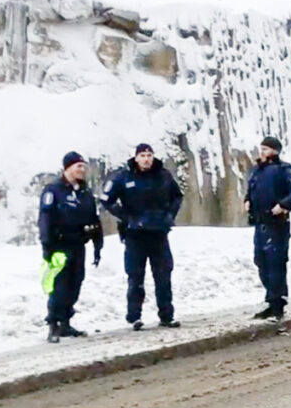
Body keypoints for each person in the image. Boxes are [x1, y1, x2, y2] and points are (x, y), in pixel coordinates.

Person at [101, 143, 183, 331]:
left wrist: (169, 216)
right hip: (135, 235)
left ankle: (166, 315)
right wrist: (126, 217)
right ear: (136, 158)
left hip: (159, 233)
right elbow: (107, 199)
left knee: (163, 276)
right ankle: (134, 317)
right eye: (142, 155)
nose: (146, 159)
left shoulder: (163, 176)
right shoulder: (125, 177)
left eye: (149, 155)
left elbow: (177, 196)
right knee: (135, 277)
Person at [39, 151, 103, 343]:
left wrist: (98, 245)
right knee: (59, 285)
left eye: (83, 166)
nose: (82, 170)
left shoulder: (85, 193)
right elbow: (45, 219)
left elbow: (94, 219)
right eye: (78, 166)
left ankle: (66, 322)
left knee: (75, 284)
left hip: (78, 244)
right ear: (67, 168)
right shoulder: (53, 191)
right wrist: (47, 246)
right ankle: (53, 324)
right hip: (59, 245)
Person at [245, 136, 291, 320]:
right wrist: (247, 200)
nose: (261, 152)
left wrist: (284, 205)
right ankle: (271, 301)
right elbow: (251, 190)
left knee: (275, 263)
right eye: (261, 148)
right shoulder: (257, 171)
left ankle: (278, 305)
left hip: (277, 224)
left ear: (275, 151)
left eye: (266, 149)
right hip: (260, 222)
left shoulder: (284, 169)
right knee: (261, 261)